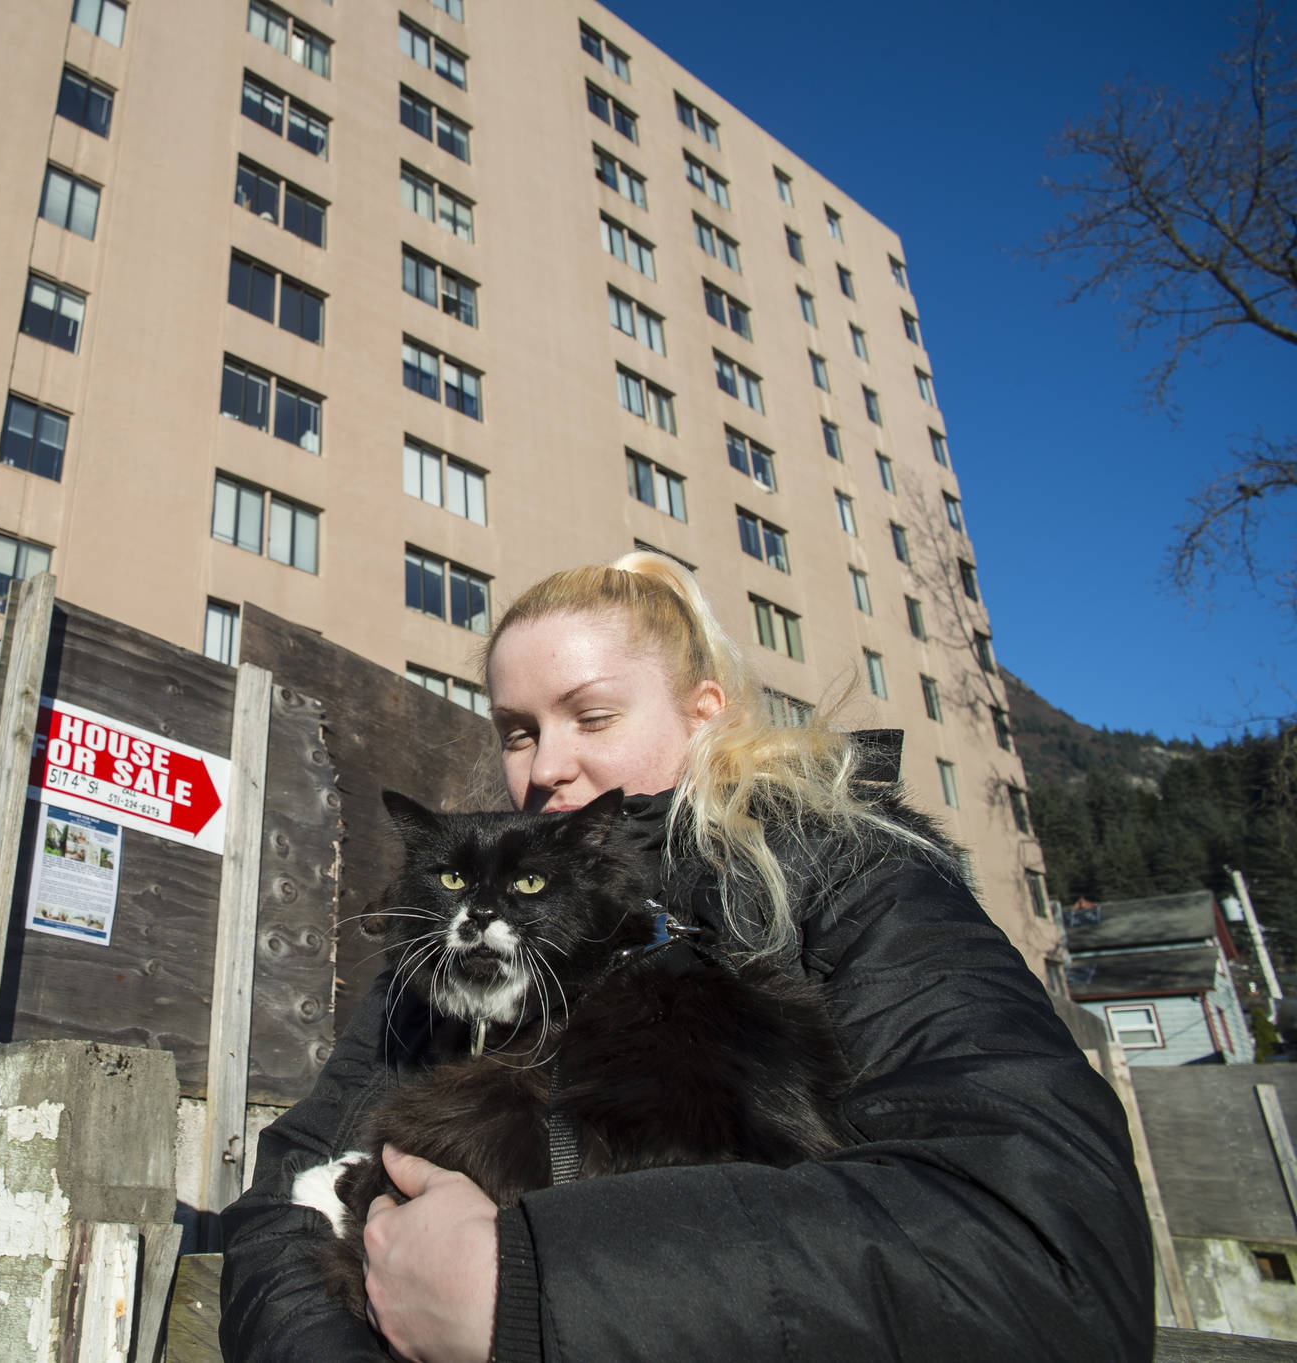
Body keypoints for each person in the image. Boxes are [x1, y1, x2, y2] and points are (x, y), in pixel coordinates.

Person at [218, 553, 1153, 1362]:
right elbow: (283, 1200)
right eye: (516, 729)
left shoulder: (840, 866)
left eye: (591, 717)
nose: (543, 766)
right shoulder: (454, 935)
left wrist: (536, 1292)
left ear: (704, 712)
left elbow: (1047, 1240)